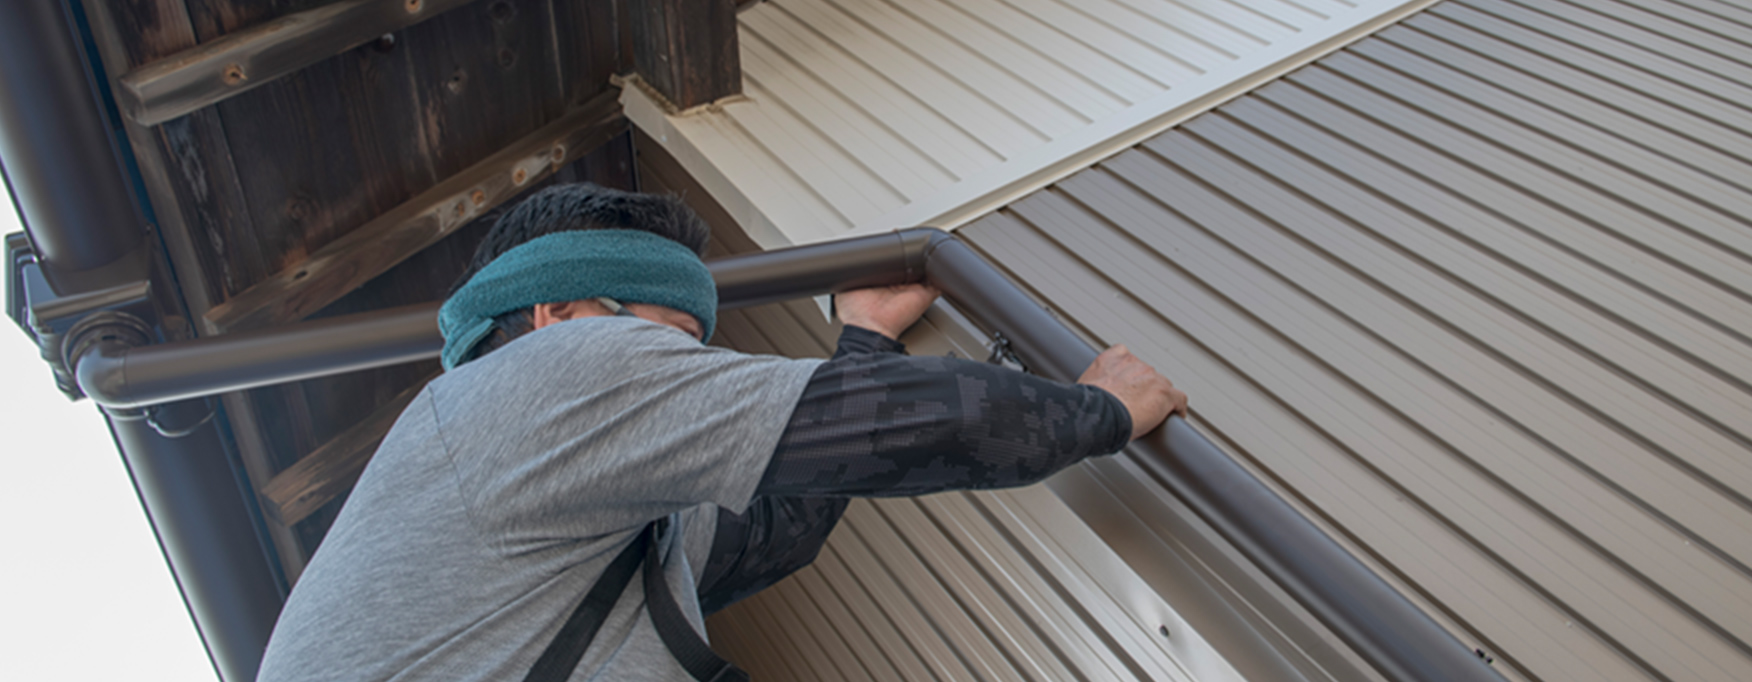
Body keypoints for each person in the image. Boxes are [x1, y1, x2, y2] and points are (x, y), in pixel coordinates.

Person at [256, 184, 1187, 682]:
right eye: (668, 340)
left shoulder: (564, 505)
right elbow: (898, 428)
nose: (688, 372)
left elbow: (780, 525)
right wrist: (1102, 408)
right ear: (561, 313)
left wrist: (863, 339)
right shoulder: (542, 383)